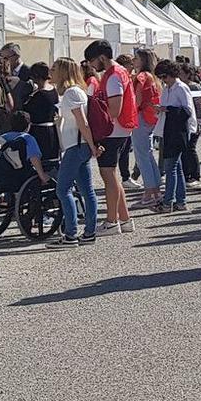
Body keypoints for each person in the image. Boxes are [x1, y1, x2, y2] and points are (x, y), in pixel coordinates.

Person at [83, 41, 135, 235]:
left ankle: (112, 221)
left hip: (113, 131)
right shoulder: (118, 72)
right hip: (119, 130)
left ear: (102, 57)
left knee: (108, 175)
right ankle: (125, 219)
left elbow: (114, 109)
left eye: (92, 60)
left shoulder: (113, 76)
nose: (91, 65)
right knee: (113, 176)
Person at [46, 58, 98, 247]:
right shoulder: (78, 91)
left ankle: (71, 233)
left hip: (76, 145)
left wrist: (91, 144)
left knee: (63, 189)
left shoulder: (71, 93)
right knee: (87, 190)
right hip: (79, 145)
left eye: (54, 69)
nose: (51, 72)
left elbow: (82, 121)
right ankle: (89, 232)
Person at [157, 60, 196, 213]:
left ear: (172, 74)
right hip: (168, 130)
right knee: (176, 167)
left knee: (170, 167)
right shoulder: (167, 89)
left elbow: (187, 111)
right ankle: (181, 201)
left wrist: (168, 109)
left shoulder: (181, 88)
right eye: (161, 77)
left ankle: (168, 202)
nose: (163, 80)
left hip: (178, 132)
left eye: (164, 76)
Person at [130, 50, 164, 209]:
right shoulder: (154, 77)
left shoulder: (141, 77)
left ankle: (149, 191)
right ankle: (155, 190)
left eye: (136, 58)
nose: (133, 60)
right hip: (151, 117)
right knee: (148, 153)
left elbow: (136, 99)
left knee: (141, 155)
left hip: (141, 116)